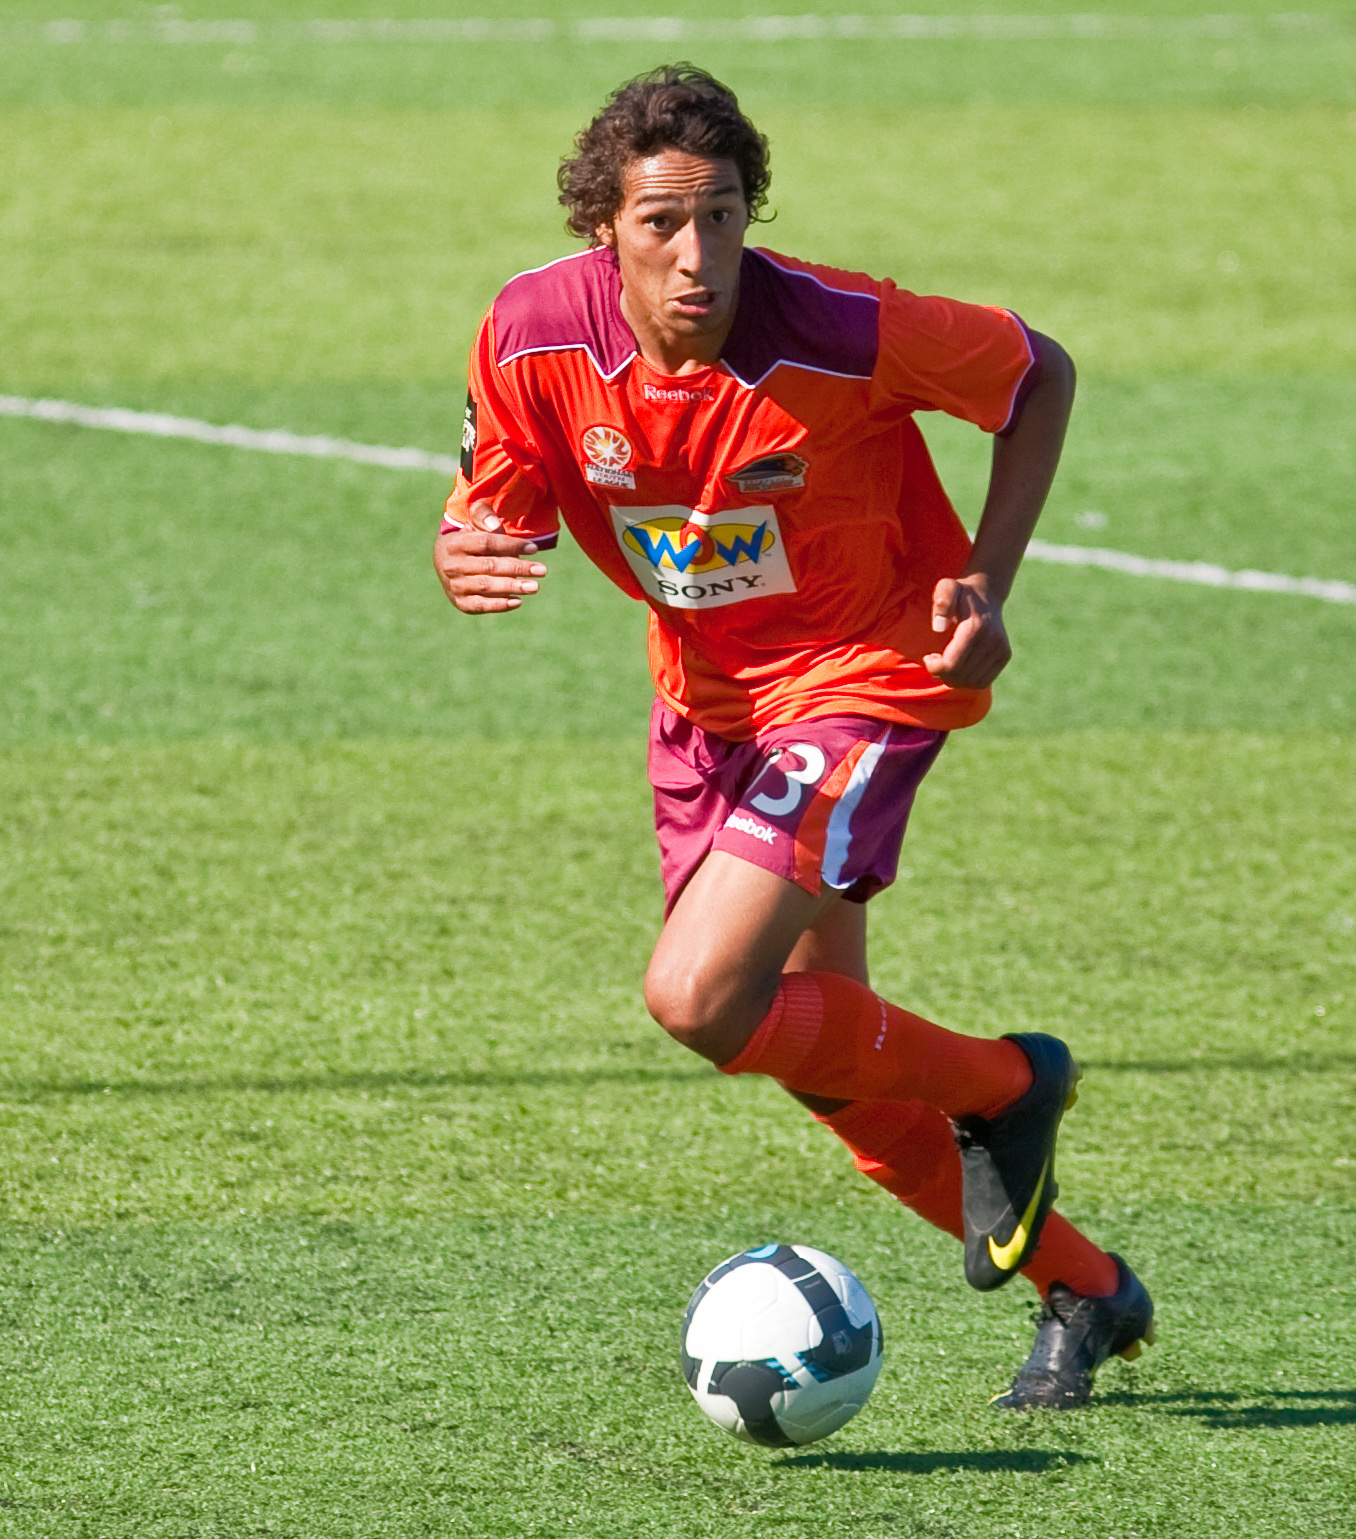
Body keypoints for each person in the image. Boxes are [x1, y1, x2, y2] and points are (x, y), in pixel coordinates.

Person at [433, 64, 1153, 1412]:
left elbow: (1035, 374)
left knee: (700, 999)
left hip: (864, 676)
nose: (695, 256)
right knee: (833, 1069)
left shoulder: (836, 327)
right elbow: (496, 503)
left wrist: (988, 581)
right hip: (706, 706)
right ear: (605, 227)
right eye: (661, 223)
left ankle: (1008, 1084)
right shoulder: (530, 335)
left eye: (720, 218)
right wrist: (463, 550)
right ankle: (1087, 1288)